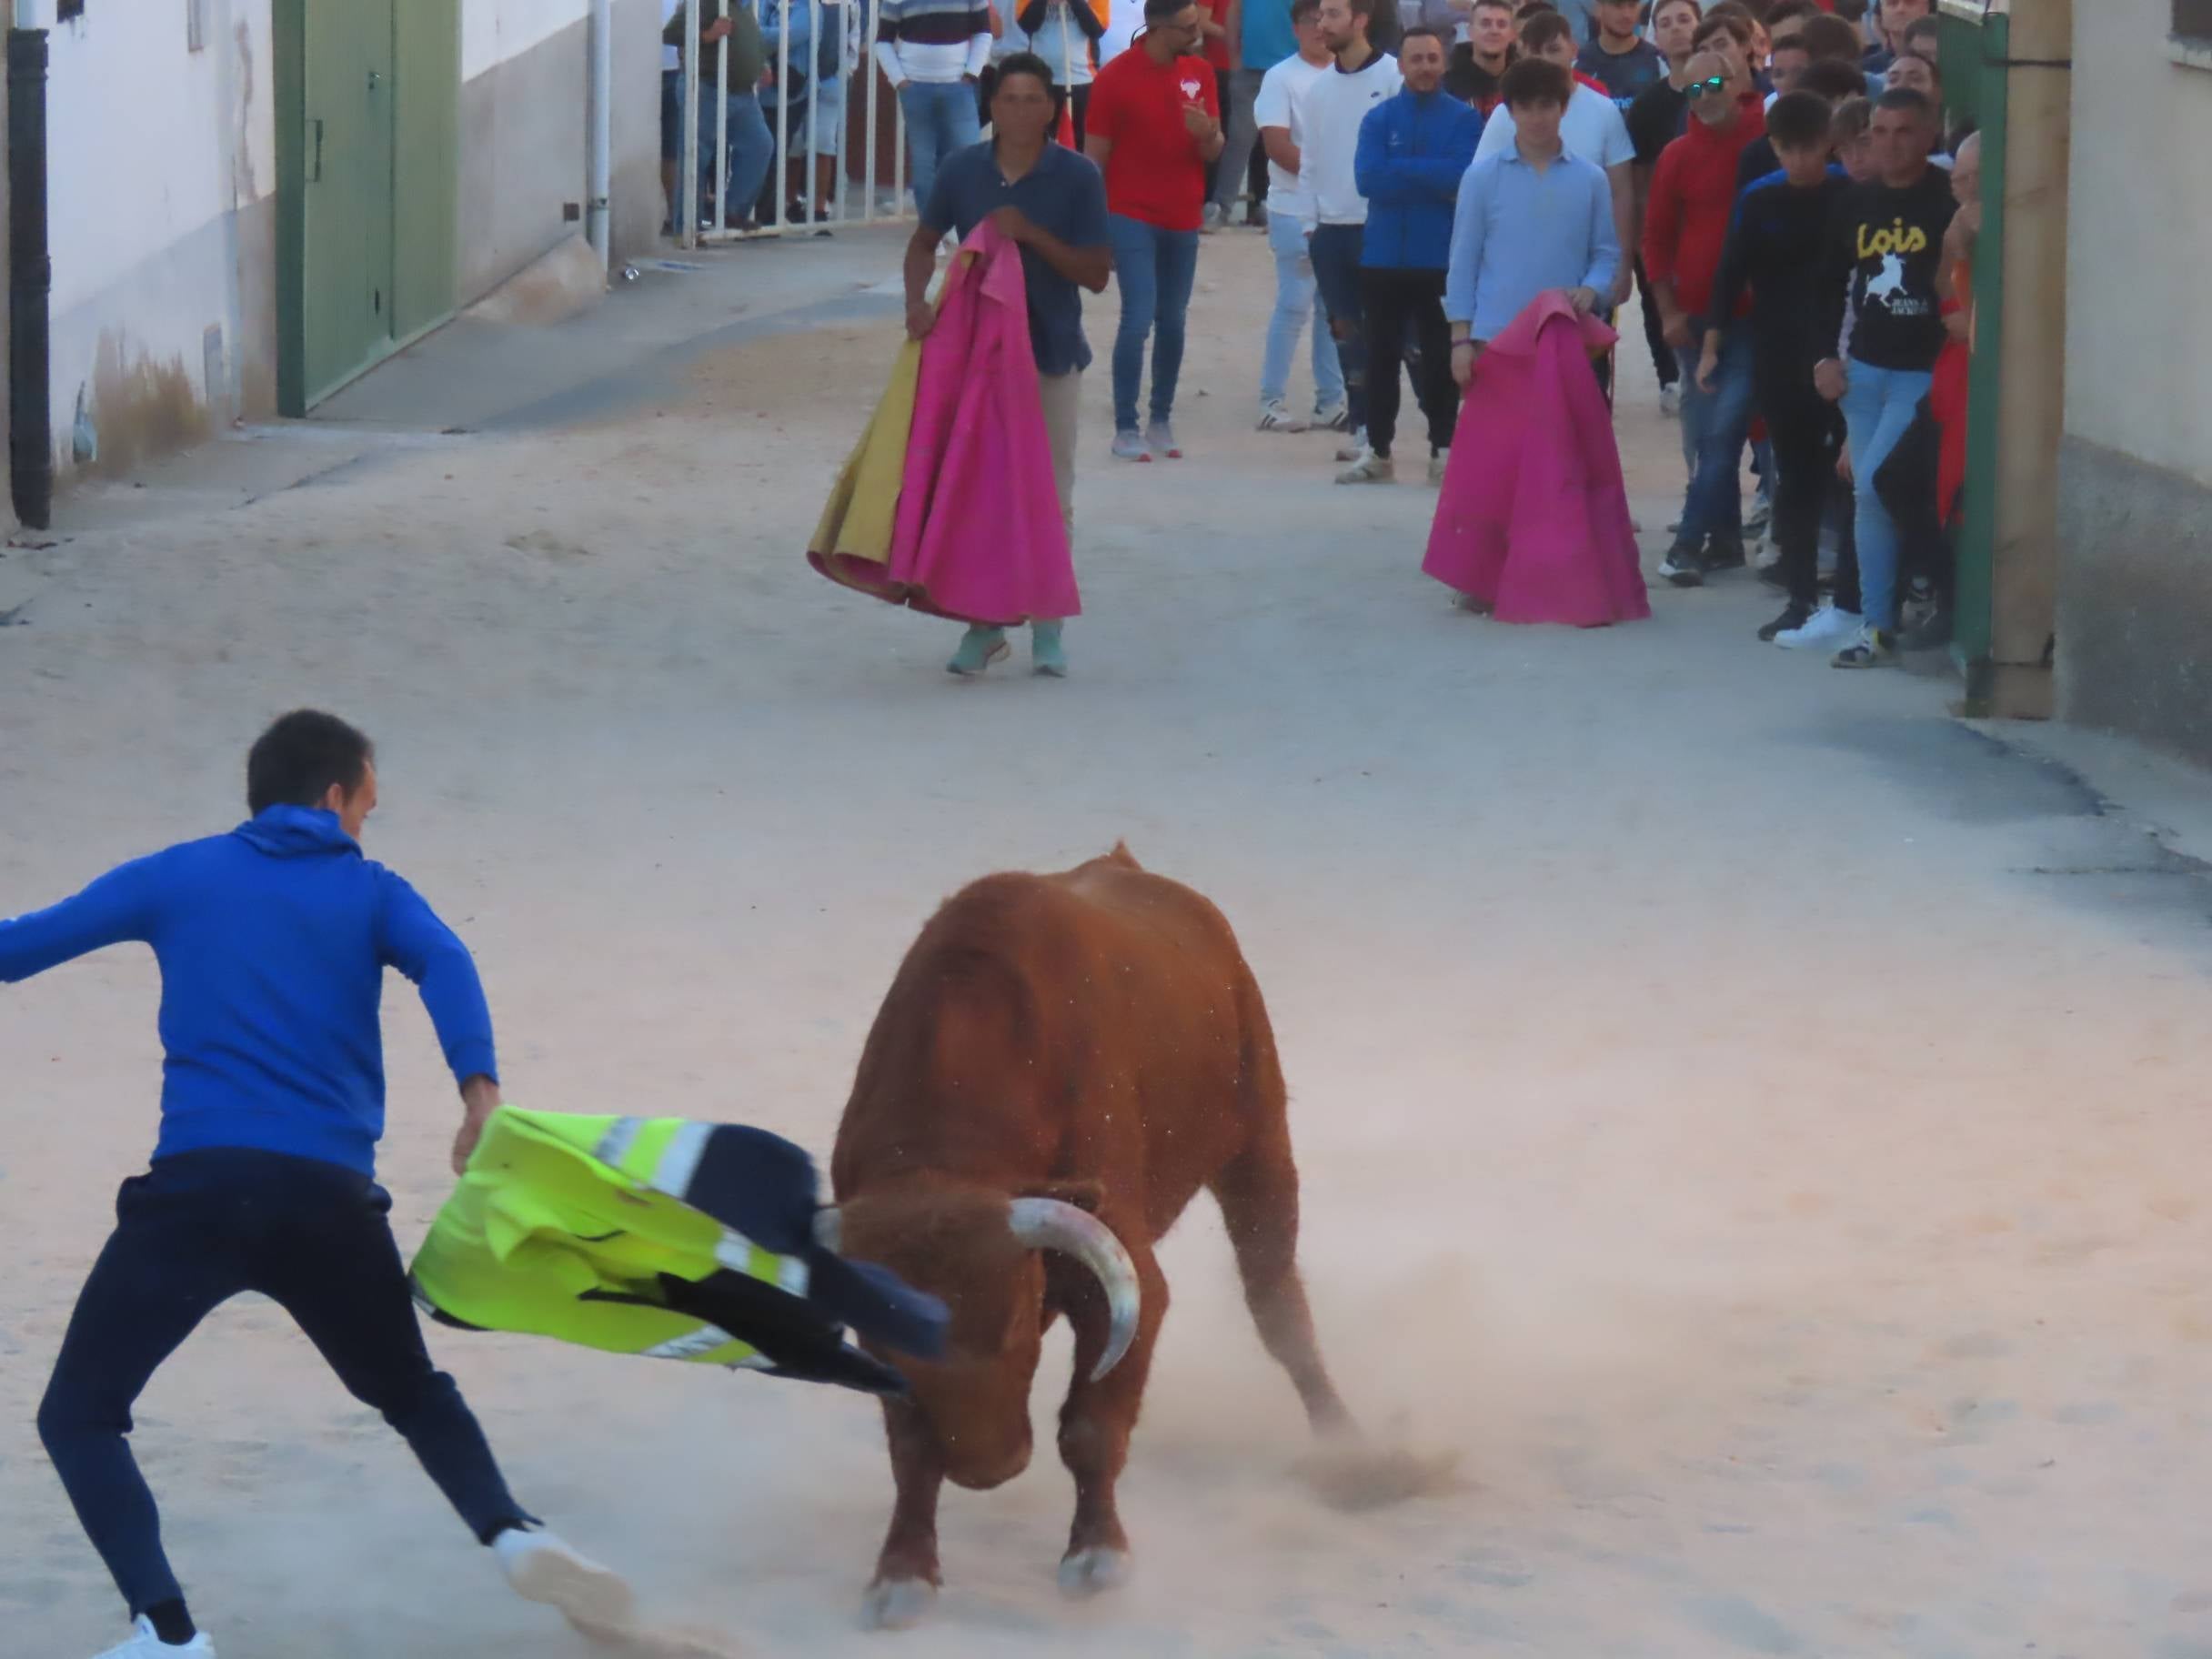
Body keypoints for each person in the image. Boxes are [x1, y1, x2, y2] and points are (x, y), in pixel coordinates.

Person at [8, 711, 629, 1659]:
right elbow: (447, 961)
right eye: (367, 808)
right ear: (335, 796)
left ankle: (167, 1635)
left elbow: (16, 950)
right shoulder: (371, 890)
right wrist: (479, 1091)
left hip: (200, 1196)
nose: (364, 828)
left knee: (81, 1415)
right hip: (329, 1203)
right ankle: (513, 1533)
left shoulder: (176, 875)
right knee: (412, 1393)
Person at [906, 53, 1112, 674]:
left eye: (1032, 100)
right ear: (990, 106)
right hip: (977, 358)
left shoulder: (1076, 176)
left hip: (1049, 353)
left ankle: (1047, 627)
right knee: (979, 493)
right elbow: (922, 242)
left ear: (1052, 107)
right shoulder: (962, 168)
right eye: (1008, 100)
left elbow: (1098, 274)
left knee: (1052, 496)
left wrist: (1030, 234)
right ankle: (985, 624)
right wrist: (916, 302)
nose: (1020, 111)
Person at [1433, 55, 1634, 621]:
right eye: (1527, 106)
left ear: (1563, 108)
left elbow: (1605, 254)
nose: (1539, 117)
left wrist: (1591, 291)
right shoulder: (1482, 177)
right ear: (1510, 110)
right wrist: (1460, 339)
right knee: (1495, 468)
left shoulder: (1590, 179)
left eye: (1549, 105)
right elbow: (1464, 260)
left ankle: (1561, 570)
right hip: (1499, 342)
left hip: (1564, 340)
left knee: (1563, 464)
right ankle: (1480, 576)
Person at [1702, 89, 1862, 644]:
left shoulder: (1848, 193)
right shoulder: (1760, 198)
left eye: (1810, 148)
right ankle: (1798, 596)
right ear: (1773, 147)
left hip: (1839, 352)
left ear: (1829, 144)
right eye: (1788, 149)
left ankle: (1851, 600)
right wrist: (1711, 344)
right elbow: (1729, 271)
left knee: (1849, 475)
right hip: (1776, 350)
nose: (1800, 160)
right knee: (1794, 476)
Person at [1815, 87, 1956, 668]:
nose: (1891, 144)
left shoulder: (1945, 201)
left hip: (1921, 372)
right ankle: (1874, 626)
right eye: (1881, 132)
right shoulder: (1854, 202)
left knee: (1876, 482)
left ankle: (1930, 583)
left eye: (1905, 132)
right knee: (1867, 499)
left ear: (1928, 136)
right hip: (1865, 370)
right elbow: (1827, 287)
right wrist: (1824, 356)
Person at [1338, 26, 1482, 484]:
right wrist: (1429, 177)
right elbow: (1368, 180)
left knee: (1441, 359)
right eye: (1415, 58)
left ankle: (1444, 449)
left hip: (1438, 259)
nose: (1423, 67)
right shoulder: (1378, 119)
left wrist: (1400, 170)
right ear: (1400, 65)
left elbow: (1462, 178)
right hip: (1382, 259)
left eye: (1431, 59)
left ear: (1444, 64)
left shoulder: (1463, 119)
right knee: (1379, 359)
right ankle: (1378, 452)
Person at [1643, 45, 1765, 585]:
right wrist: (1667, 312)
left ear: (1737, 80)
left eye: (1713, 85)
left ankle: (1690, 543)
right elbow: (1657, 240)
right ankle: (1727, 541)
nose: (1704, 98)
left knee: (1722, 432)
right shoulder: (1677, 155)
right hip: (1693, 321)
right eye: (1693, 90)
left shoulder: (1766, 141)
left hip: (1753, 319)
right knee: (1705, 435)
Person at [1086, 0, 1224, 461]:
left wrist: (1208, 134)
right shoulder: (1115, 78)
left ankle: (1161, 418)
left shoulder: (1200, 72)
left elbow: (1213, 149)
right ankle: (1126, 425)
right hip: (1131, 213)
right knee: (1137, 317)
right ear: (1158, 28)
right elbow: (1094, 160)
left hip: (1183, 214)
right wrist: (1094, 229)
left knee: (1173, 320)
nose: (1197, 33)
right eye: (1188, 27)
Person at [1475, 10, 1634, 320]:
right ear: (1520, 53)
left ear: (1574, 49)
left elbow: (1622, 192)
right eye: (1535, 51)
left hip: (1586, 270)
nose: (1545, 60)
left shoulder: (1602, 110)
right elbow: (1480, 192)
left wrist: (1624, 263)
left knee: (1588, 365)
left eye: (1553, 49)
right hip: (1517, 265)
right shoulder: (1504, 114)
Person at [1304, 0, 1405, 465]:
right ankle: (1364, 428)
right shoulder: (1318, 88)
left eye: (1331, 14)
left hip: (1379, 227)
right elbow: (1310, 160)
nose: (1321, 24)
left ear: (1360, 21)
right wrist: (1311, 225)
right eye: (1321, 15)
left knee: (1401, 338)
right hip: (1330, 230)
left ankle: (1439, 433)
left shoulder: (1392, 78)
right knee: (1346, 335)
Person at [1254, 0, 1352, 432]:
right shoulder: (1281, 78)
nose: (1318, 27)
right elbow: (1277, 146)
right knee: (1294, 303)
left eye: (1325, 18)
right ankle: (1270, 399)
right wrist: (1327, 175)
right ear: (1295, 28)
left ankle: (1330, 400)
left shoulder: (1346, 76)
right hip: (1294, 206)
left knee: (1333, 305)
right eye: (1309, 21)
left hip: (1338, 209)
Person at [1626, 0, 1702, 415]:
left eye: (1684, 20)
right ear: (1655, 35)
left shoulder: (1715, 91)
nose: (1676, 29)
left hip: (1709, 227)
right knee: (1658, 304)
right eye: (1665, 23)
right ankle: (1669, 378)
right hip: (1662, 228)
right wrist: (1640, 238)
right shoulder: (1648, 105)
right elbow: (1636, 179)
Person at [664, 0, 776, 233]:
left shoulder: (743, 6)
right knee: (696, 156)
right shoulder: (706, 2)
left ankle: (732, 212)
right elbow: (671, 34)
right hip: (707, 88)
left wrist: (761, 62)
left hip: (742, 94)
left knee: (760, 145)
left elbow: (751, 36)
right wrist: (709, 34)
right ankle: (686, 227)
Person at [876, 0, 993, 216]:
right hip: (916, 89)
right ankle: (932, 231)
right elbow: (883, 41)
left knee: (968, 161)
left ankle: (961, 226)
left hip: (959, 87)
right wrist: (900, 81)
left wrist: (971, 73)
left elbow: (983, 32)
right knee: (923, 168)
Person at [1226, 0, 1303, 232]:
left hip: (1290, 71)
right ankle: (1222, 206)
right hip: (1251, 70)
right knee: (1240, 140)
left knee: (1287, 140)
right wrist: (1234, 58)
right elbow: (1234, 11)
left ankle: (1275, 206)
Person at [996, 0, 1107, 146]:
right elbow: (1027, 24)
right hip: (1041, 80)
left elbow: (1097, 28)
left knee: (1080, 143)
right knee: (1039, 142)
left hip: (1081, 79)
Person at [1575, 0, 1665, 114]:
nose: (1626, 14)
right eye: (1617, 5)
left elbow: (1690, 93)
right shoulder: (1578, 63)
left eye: (1632, 5)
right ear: (1598, 9)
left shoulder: (1658, 60)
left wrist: (1694, 84)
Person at [1199, 0, 1240, 226]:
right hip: (1220, 68)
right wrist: (1233, 33)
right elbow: (1202, 20)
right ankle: (1210, 201)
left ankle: (1259, 202)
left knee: (1257, 138)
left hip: (1251, 66)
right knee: (1217, 134)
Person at [1445, 0, 1517, 113]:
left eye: (1501, 24)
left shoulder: (1524, 81)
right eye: (1485, 24)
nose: (1494, 31)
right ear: (1470, 31)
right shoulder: (1447, 87)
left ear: (1512, 34)